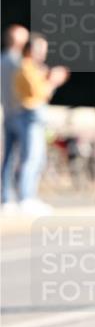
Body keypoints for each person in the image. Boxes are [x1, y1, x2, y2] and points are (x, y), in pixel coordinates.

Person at [13, 33, 70, 213]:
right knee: (31, 157)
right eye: (41, 49)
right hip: (30, 114)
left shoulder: (34, 68)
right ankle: (25, 197)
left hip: (33, 114)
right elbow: (37, 93)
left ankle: (29, 196)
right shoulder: (26, 67)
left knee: (38, 158)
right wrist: (53, 81)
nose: (44, 54)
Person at [1, 23, 30, 209]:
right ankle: (25, 195)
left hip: (8, 112)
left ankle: (5, 195)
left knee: (9, 157)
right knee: (28, 157)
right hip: (21, 113)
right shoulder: (19, 62)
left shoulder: (2, 60)